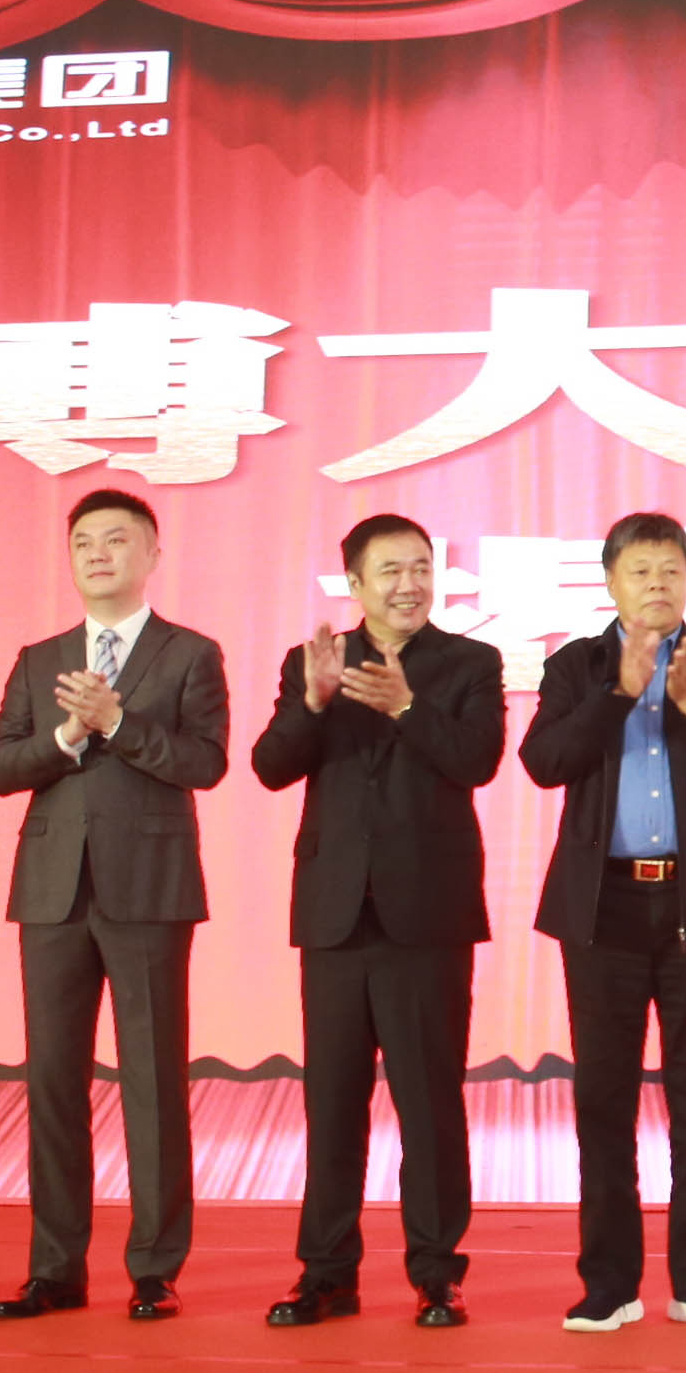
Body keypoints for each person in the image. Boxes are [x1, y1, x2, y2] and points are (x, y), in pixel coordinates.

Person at [0, 488, 231, 1323]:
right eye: (83, 540)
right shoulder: (38, 657)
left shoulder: (191, 653)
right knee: (52, 1081)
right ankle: (55, 1268)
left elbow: (205, 763)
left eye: (116, 539)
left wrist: (118, 723)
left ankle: (155, 1267)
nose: (97, 553)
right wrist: (64, 738)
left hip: (149, 888)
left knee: (152, 1079)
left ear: (152, 553)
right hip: (51, 891)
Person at [524, 512, 686, 1334]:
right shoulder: (575, 665)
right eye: (640, 571)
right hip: (603, 909)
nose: (657, 584)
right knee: (603, 1101)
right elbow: (543, 762)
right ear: (610, 583)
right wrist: (618, 694)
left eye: (671, 569)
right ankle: (609, 1283)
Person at [252, 514, 504, 1330]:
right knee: (331, 1103)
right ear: (354, 584)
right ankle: (326, 1274)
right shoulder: (315, 661)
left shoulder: (469, 662)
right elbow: (269, 766)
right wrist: (314, 701)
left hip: (427, 912)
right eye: (390, 570)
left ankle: (437, 1274)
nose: (410, 583)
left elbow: (477, 762)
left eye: (422, 567)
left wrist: (406, 707)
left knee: (429, 1103)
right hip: (334, 912)